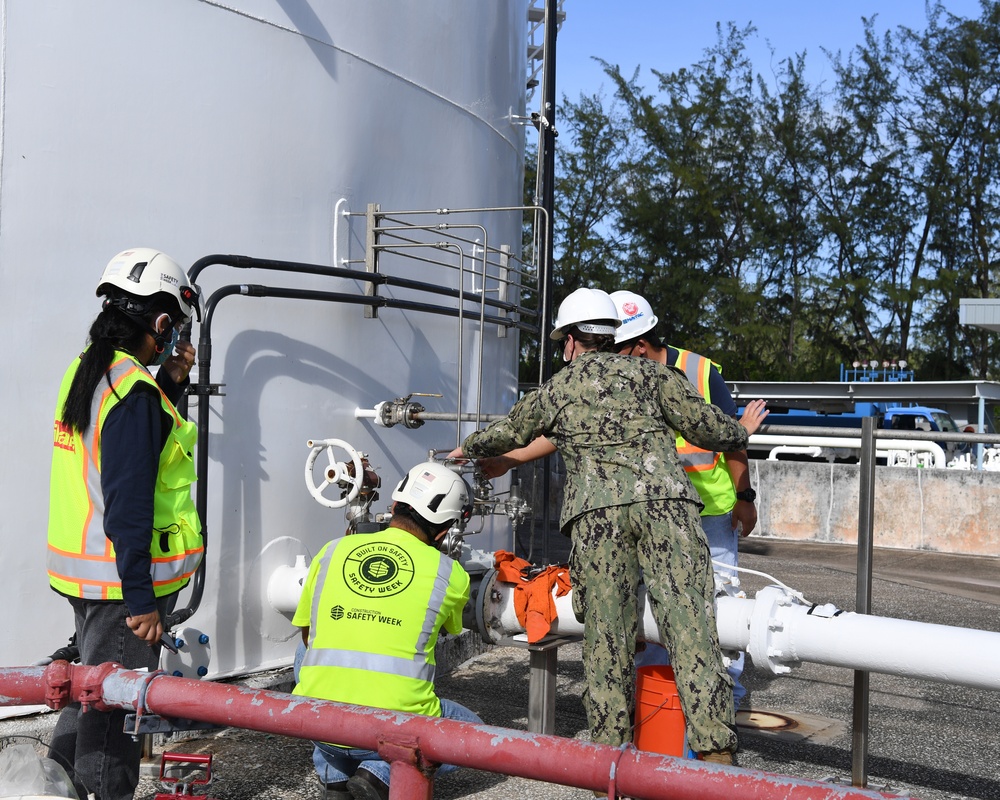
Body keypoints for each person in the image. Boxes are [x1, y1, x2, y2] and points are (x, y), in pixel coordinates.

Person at [449, 287, 768, 767]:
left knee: (606, 637)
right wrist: (742, 427)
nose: (563, 351)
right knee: (692, 628)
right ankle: (716, 752)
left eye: (563, 342)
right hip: (669, 510)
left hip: (599, 521)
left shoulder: (561, 386)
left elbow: (511, 433)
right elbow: (712, 430)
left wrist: (469, 447)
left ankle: (609, 757)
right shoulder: (658, 376)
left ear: (575, 339)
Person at [47, 248, 204, 800]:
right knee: (114, 712)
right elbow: (129, 502)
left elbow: (129, 450)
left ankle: (54, 785)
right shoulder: (131, 391)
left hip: (87, 575)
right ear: (160, 323)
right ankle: (95, 793)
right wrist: (140, 599)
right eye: (173, 325)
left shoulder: (92, 369)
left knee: (87, 687)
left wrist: (171, 381)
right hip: (123, 588)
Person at [292, 461, 483, 800]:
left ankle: (334, 776)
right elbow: (445, 631)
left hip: (317, 723)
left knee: (306, 652)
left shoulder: (331, 550)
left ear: (393, 506)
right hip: (391, 731)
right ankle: (379, 774)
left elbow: (308, 636)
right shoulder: (451, 574)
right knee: (477, 735)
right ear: (443, 531)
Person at [610, 290, 753, 707]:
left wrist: (745, 496)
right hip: (653, 511)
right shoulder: (625, 378)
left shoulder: (700, 371)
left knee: (722, 602)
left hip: (710, 510)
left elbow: (734, 439)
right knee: (653, 599)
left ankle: (728, 696)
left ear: (638, 345)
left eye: (619, 351)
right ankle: (657, 693)